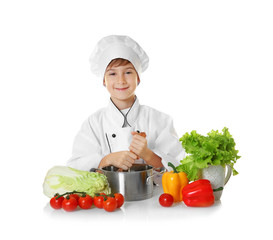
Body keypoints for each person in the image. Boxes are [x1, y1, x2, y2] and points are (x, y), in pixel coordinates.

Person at [67, 35, 184, 171]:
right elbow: (75, 167)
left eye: (128, 72)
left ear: (138, 78)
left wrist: (147, 154)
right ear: (104, 80)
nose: (121, 80)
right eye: (112, 74)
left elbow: (179, 168)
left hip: (153, 193)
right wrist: (106, 159)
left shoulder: (161, 120)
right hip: (107, 193)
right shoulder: (93, 123)